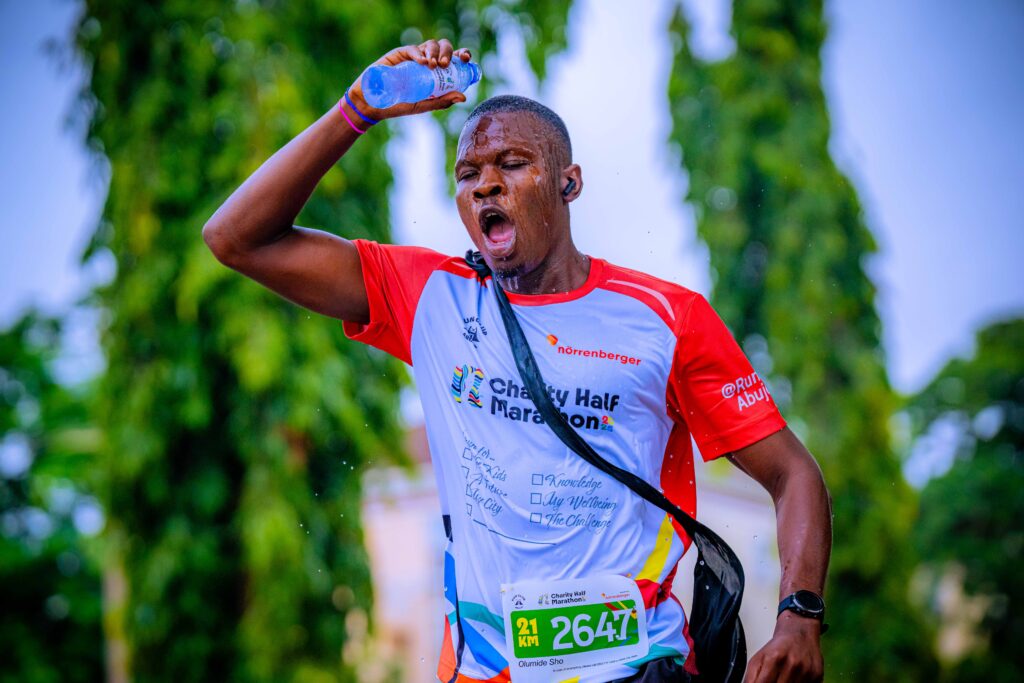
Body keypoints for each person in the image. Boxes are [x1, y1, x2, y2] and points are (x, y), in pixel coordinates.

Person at [203, 38, 832, 683]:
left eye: (511, 163)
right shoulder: (431, 298)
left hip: (639, 668)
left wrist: (799, 618)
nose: (486, 184)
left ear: (568, 182)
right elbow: (236, 238)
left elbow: (793, 474)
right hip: (487, 672)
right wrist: (358, 108)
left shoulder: (666, 318)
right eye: (467, 174)